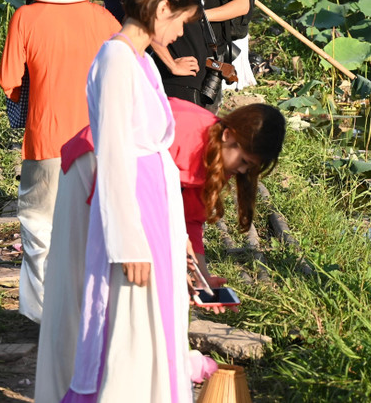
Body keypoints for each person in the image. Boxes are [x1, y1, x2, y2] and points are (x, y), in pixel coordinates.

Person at [34, 0, 206, 403]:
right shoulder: (115, 59)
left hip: (153, 205)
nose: (179, 35)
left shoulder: (140, 60)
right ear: (163, 7)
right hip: (134, 209)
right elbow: (111, 153)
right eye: (181, 22)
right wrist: (127, 241)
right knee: (127, 323)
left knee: (156, 321)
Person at [37, 101, 286, 402]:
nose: (241, 171)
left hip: (129, 193)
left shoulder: (214, 153)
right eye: (244, 160)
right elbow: (128, 174)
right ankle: (64, 389)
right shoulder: (184, 129)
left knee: (131, 295)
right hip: (95, 168)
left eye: (249, 167)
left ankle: (107, 382)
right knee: (77, 284)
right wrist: (129, 239)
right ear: (228, 135)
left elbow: (189, 221)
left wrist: (201, 278)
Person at [0, 0, 121, 324]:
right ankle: (89, 311)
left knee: (38, 228)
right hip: (99, 139)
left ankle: (39, 314)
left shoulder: (26, 18)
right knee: (92, 230)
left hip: (47, 138)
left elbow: (9, 81)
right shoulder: (103, 18)